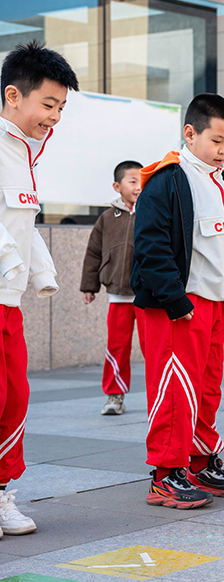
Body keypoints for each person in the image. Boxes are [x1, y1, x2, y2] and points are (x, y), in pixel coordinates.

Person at [133, 93, 224, 509]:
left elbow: (223, 240)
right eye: (217, 140)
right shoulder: (168, 179)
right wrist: (176, 301)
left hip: (215, 305)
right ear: (190, 132)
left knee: (207, 389)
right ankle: (165, 475)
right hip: (178, 308)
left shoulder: (223, 181)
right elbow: (151, 247)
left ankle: (200, 462)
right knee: (174, 393)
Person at [0, 41, 76, 536]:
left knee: (14, 398)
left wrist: (41, 274)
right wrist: (12, 266)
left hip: (10, 304)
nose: (54, 117)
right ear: (13, 96)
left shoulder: (24, 154)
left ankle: (4, 493)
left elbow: (25, 226)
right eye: (48, 105)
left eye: (61, 108)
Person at [81, 161, 145, 415]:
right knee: (117, 347)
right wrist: (89, 286)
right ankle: (114, 396)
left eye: (142, 181)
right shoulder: (107, 218)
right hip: (118, 296)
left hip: (146, 295)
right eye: (132, 181)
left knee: (154, 349)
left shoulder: (151, 211)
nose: (138, 186)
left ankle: (158, 397)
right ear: (117, 186)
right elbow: (93, 253)